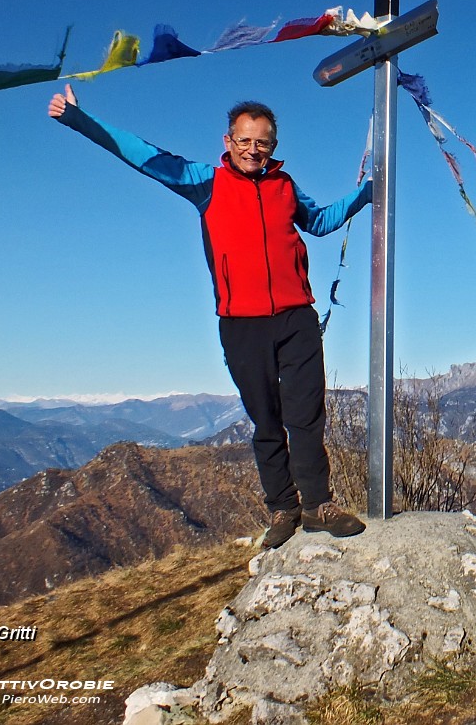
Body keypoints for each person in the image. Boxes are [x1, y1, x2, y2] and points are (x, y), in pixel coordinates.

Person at [48, 83, 372, 548]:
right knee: (266, 421)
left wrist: (365, 194)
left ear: (273, 146)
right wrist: (80, 119)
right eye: (244, 140)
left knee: (307, 418)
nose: (253, 149)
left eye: (263, 142)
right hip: (241, 323)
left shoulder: (285, 186)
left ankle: (319, 506)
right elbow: (143, 156)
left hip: (297, 317)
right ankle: (284, 510)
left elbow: (319, 221)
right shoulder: (205, 181)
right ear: (228, 141)